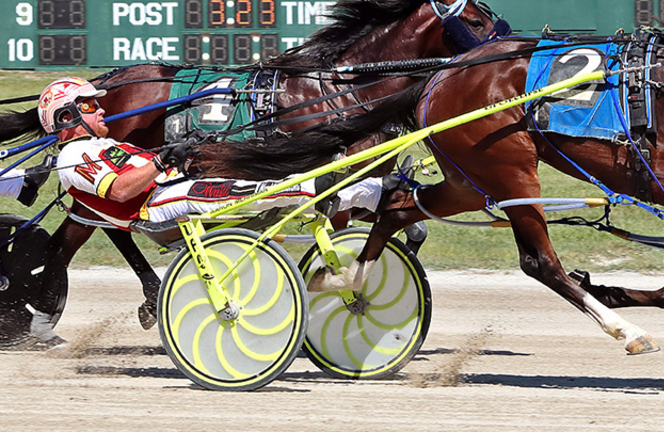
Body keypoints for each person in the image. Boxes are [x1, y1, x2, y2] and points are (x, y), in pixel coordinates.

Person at [30, 77, 394, 347]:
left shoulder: (103, 144)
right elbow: (122, 189)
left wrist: (178, 154)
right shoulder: (73, 157)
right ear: (66, 117)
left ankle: (369, 192)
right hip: (160, 205)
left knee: (270, 183)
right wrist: (162, 159)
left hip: (173, 188)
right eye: (91, 106)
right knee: (266, 189)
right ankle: (341, 187)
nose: (103, 109)